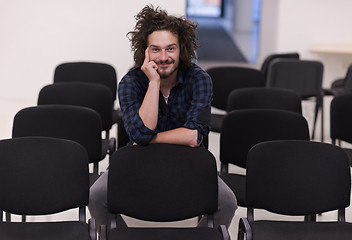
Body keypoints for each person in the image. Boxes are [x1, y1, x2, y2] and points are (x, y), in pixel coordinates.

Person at [89, 5, 237, 230]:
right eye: (155, 49)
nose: (164, 57)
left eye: (171, 48)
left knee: (227, 202)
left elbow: (194, 136)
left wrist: (149, 138)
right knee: (96, 196)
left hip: (187, 160)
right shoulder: (131, 82)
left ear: (181, 49)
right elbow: (140, 132)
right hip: (139, 159)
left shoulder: (199, 79)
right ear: (145, 51)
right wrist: (154, 83)